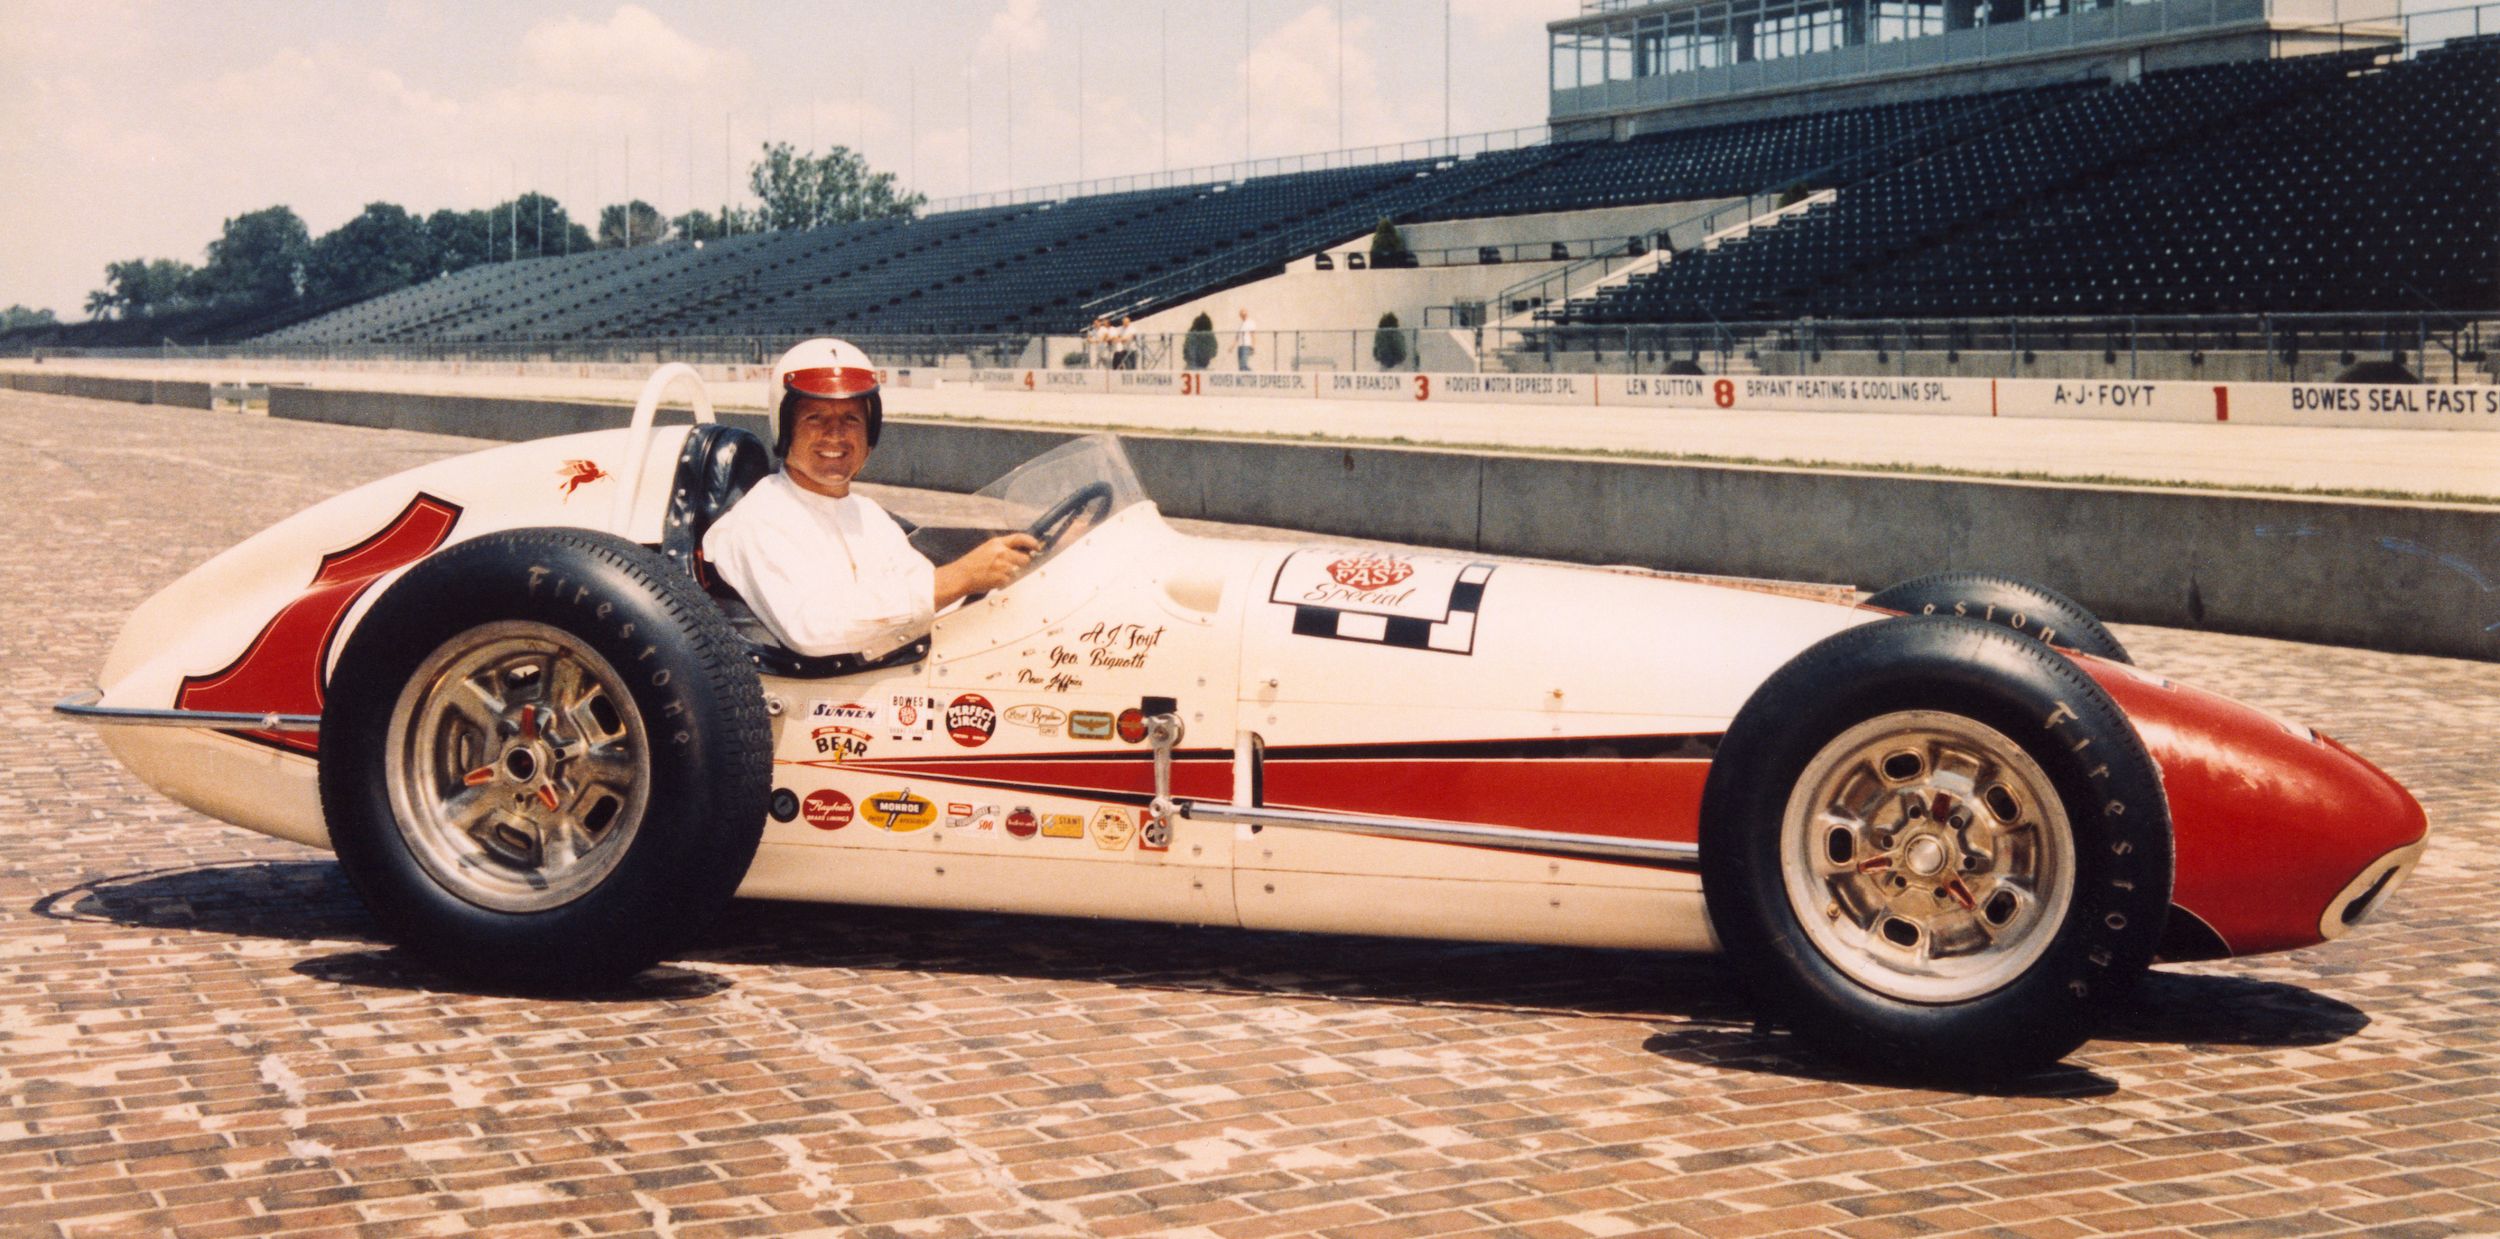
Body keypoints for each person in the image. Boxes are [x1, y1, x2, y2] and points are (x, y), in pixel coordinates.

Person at [704, 338, 1039, 659]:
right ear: (785, 428)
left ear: (870, 432)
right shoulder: (759, 519)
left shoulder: (870, 516)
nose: (835, 433)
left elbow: (929, 600)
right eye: (815, 417)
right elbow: (812, 628)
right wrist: (957, 578)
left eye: (851, 418)